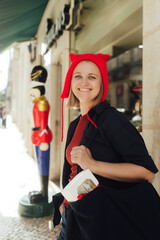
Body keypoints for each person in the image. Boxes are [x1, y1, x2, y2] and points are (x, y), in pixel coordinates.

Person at [53, 53, 160, 240]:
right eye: (78, 76)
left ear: (101, 83)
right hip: (74, 216)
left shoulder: (112, 119)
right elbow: (71, 171)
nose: (84, 82)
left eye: (92, 77)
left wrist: (92, 164)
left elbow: (147, 172)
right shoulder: (74, 124)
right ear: (70, 81)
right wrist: (64, 204)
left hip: (103, 224)